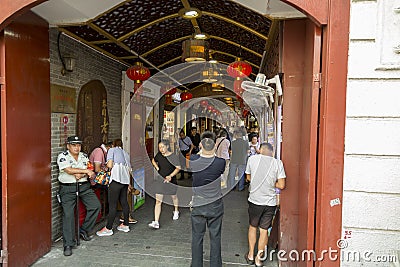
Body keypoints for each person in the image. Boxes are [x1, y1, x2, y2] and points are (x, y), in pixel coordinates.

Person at [57, 135, 101, 257]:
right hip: (68, 188)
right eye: (74, 145)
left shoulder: (84, 156)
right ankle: (68, 244)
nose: (77, 147)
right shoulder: (63, 156)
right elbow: (68, 170)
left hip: (83, 186)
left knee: (95, 206)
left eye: (78, 145)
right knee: (68, 215)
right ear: (68, 146)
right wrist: (84, 172)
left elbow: (89, 169)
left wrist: (82, 174)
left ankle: (83, 230)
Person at [244, 142, 286, 266]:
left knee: (252, 226)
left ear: (261, 150)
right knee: (264, 230)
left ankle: (251, 255)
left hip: (255, 201)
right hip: (270, 203)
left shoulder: (252, 159)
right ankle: (259, 259)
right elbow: (282, 185)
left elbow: (248, 177)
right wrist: (271, 183)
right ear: (272, 152)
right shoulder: (277, 163)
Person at [189, 132, 226, 267]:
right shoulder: (220, 162)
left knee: (197, 237)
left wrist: (201, 149)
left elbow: (196, 158)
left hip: (198, 202)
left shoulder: (193, 159)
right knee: (215, 237)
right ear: (215, 145)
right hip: (215, 203)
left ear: (200, 145)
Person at [96, 139, 133, 236]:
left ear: (113, 144)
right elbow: (130, 170)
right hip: (125, 181)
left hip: (115, 180)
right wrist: (128, 183)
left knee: (112, 205)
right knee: (124, 202)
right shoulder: (126, 153)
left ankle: (108, 228)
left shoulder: (112, 150)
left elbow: (109, 164)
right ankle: (125, 225)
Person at [148, 140, 181, 229]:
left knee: (174, 197)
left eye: (162, 147)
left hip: (171, 180)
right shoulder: (159, 155)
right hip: (160, 181)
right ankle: (156, 222)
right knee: (158, 201)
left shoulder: (173, 156)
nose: (161, 149)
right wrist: (157, 167)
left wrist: (170, 176)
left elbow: (178, 168)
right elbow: (153, 160)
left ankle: (176, 210)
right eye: (159, 148)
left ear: (167, 146)